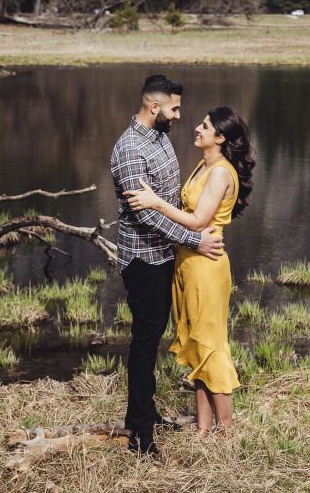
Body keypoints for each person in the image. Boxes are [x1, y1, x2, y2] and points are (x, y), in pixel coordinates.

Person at [110, 74, 223, 457]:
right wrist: (195, 239)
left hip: (164, 256)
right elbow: (147, 217)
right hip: (142, 259)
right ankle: (140, 435)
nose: (179, 116)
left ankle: (143, 411)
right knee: (145, 342)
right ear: (154, 106)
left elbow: (166, 199)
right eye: (174, 108)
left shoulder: (159, 136)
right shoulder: (128, 150)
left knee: (154, 337)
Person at [125, 106, 255, 435]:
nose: (197, 128)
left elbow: (198, 222)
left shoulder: (222, 173)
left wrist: (155, 202)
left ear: (221, 138)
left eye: (205, 126)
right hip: (188, 263)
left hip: (206, 267)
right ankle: (203, 428)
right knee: (198, 345)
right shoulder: (204, 164)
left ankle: (225, 429)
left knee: (211, 345)